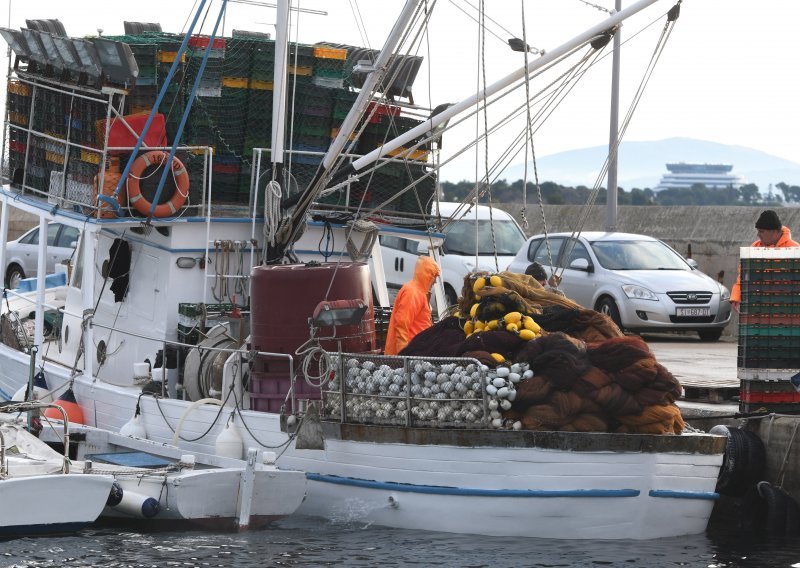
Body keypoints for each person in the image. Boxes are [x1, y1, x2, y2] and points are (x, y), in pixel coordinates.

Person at [730, 209, 799, 312]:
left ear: (775, 232)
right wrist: (736, 296)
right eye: (758, 231)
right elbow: (744, 276)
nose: (758, 234)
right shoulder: (755, 247)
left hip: (786, 310)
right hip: (759, 308)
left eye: (761, 231)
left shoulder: (795, 249)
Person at [384, 256, 441, 355]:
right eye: (434, 277)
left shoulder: (419, 292)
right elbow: (402, 325)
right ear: (427, 275)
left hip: (416, 352)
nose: (435, 282)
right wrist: (403, 355)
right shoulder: (412, 292)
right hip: (410, 355)